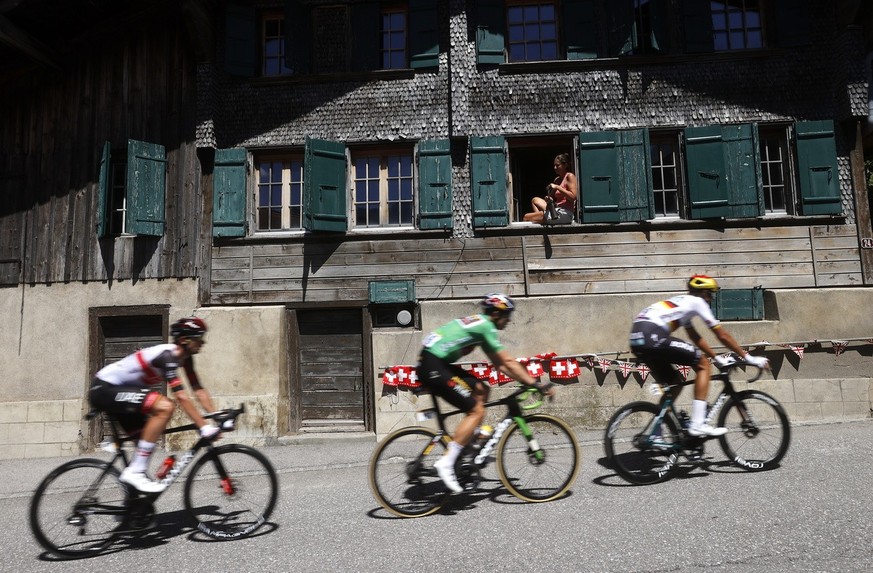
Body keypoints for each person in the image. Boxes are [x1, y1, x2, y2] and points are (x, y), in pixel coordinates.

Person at [417, 293, 556, 493]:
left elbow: (501, 364)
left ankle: (470, 441)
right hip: (434, 366)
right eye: (507, 315)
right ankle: (446, 462)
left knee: (482, 389)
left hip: (435, 362)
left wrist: (525, 380)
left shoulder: (479, 324)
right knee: (477, 412)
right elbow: (506, 362)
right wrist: (535, 383)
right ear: (497, 314)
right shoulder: (485, 327)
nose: (509, 320)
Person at [89, 316, 220, 493]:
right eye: (199, 338)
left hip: (121, 392)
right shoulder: (167, 356)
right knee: (165, 406)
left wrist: (217, 417)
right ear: (184, 340)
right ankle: (136, 472)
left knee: (146, 439)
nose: (202, 343)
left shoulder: (185, 359)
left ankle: (133, 508)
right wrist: (203, 426)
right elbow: (181, 396)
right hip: (104, 389)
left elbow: (198, 389)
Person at [629, 275, 769, 437]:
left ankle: (655, 433)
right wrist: (749, 358)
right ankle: (697, 424)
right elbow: (722, 335)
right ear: (702, 293)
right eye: (710, 294)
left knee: (675, 382)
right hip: (652, 335)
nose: (710, 299)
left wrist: (717, 359)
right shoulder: (697, 302)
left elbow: (695, 337)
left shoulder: (683, 303)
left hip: (637, 339)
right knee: (703, 364)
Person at [524, 153, 577, 225]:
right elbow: (551, 197)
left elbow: (573, 197)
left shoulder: (570, 176)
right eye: (554, 165)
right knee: (535, 200)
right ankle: (542, 218)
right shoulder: (557, 180)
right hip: (555, 209)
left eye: (557, 165)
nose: (555, 168)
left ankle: (542, 218)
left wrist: (558, 187)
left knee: (526, 217)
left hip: (565, 213)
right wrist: (548, 199)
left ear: (565, 165)